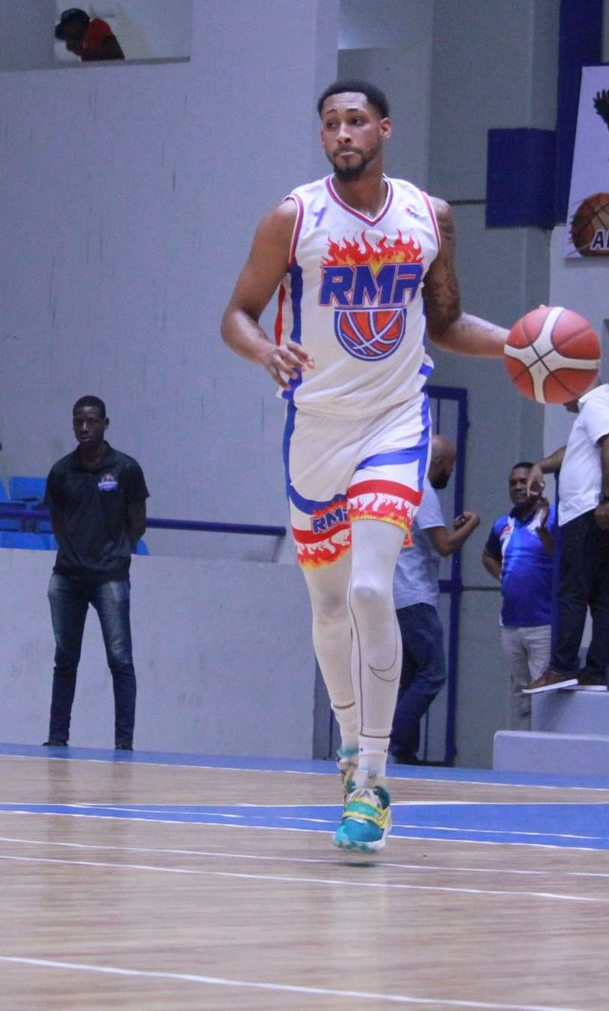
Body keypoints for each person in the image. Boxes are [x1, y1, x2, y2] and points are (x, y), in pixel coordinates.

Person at [220, 80, 507, 852]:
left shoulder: (429, 215)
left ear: (384, 128)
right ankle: (350, 748)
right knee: (328, 607)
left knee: (374, 589)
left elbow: (446, 323)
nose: (342, 133)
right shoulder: (293, 217)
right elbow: (236, 314)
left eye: (355, 121)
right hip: (317, 427)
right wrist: (263, 350)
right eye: (330, 124)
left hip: (395, 421)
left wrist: (521, 345)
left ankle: (374, 780)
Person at [43, 396, 148, 751]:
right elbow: (57, 521)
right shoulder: (61, 471)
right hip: (67, 578)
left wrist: (117, 554)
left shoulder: (126, 469)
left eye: (91, 421)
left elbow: (138, 522)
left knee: (120, 660)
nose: (84, 428)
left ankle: (124, 744)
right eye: (78, 421)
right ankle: (57, 738)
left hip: (110, 578)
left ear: (106, 423)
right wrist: (74, 552)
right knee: (64, 659)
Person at [522, 377, 609, 694]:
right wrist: (540, 466)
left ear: (575, 384)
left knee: (572, 591)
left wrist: (605, 499)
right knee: (600, 594)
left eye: (561, 393)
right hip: (605, 514)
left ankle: (562, 668)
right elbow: (575, 452)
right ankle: (595, 671)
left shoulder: (597, 405)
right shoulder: (606, 404)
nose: (562, 403)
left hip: (589, 513)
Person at [390, 433, 480, 765]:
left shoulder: (403, 488)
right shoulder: (424, 491)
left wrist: (451, 529)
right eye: (451, 465)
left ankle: (404, 753)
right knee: (433, 673)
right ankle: (392, 739)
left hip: (396, 595)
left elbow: (428, 540)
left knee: (410, 676)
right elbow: (445, 546)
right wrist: (472, 525)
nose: (451, 471)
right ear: (439, 462)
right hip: (415, 597)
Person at [482, 461, 556, 729]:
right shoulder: (503, 524)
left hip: (543, 623)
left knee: (544, 694)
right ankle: (523, 745)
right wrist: (504, 577)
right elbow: (488, 555)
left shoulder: (553, 518)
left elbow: (560, 557)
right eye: (512, 483)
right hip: (511, 624)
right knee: (521, 694)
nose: (517, 487)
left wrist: (544, 528)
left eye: (523, 481)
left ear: (537, 484)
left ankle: (544, 749)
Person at [54, 7, 125, 62]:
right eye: (66, 34)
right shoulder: (87, 57)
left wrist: (82, 46)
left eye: (70, 28)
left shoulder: (97, 28)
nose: (69, 41)